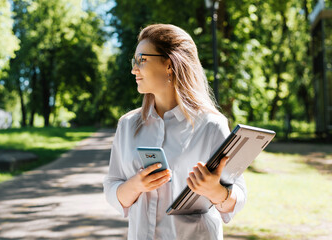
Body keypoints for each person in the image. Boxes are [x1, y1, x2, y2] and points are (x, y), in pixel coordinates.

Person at [103, 23, 247, 240]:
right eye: (134, 61)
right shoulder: (127, 125)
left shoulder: (211, 125)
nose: (134, 69)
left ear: (168, 64)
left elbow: (238, 195)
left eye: (141, 60)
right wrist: (136, 185)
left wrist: (215, 191)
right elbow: (112, 185)